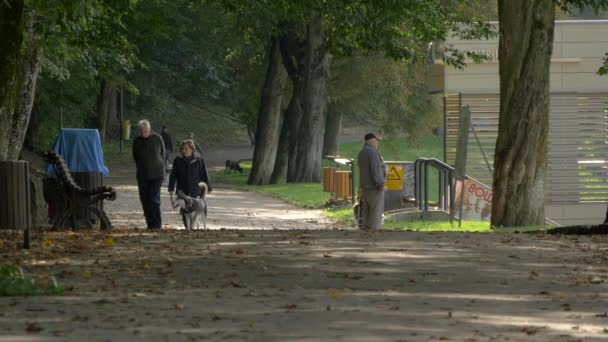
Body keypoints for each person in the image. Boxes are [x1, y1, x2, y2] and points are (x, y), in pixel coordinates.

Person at [168, 139, 212, 226]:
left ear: (192, 149)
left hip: (195, 190)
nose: (183, 150)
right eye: (182, 148)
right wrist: (171, 188)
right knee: (185, 213)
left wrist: (208, 188)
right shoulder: (178, 160)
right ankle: (189, 228)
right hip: (182, 191)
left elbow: (204, 174)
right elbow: (173, 175)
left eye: (186, 148)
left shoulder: (199, 160)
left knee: (194, 212)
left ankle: (193, 227)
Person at [132, 119, 165, 230]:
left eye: (145, 131)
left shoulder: (157, 138)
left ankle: (157, 224)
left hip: (157, 175)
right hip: (142, 176)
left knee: (153, 199)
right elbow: (135, 158)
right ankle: (150, 224)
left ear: (150, 129)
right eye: (141, 131)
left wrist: (162, 170)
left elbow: (163, 155)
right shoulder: (136, 141)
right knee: (145, 200)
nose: (143, 133)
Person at [357, 132, 387, 230]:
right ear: (370, 140)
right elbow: (375, 169)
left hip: (365, 187)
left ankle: (365, 233)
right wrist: (380, 183)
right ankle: (374, 234)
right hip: (374, 188)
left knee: (366, 212)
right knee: (376, 212)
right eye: (377, 140)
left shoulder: (362, 152)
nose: (378, 142)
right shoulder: (372, 152)